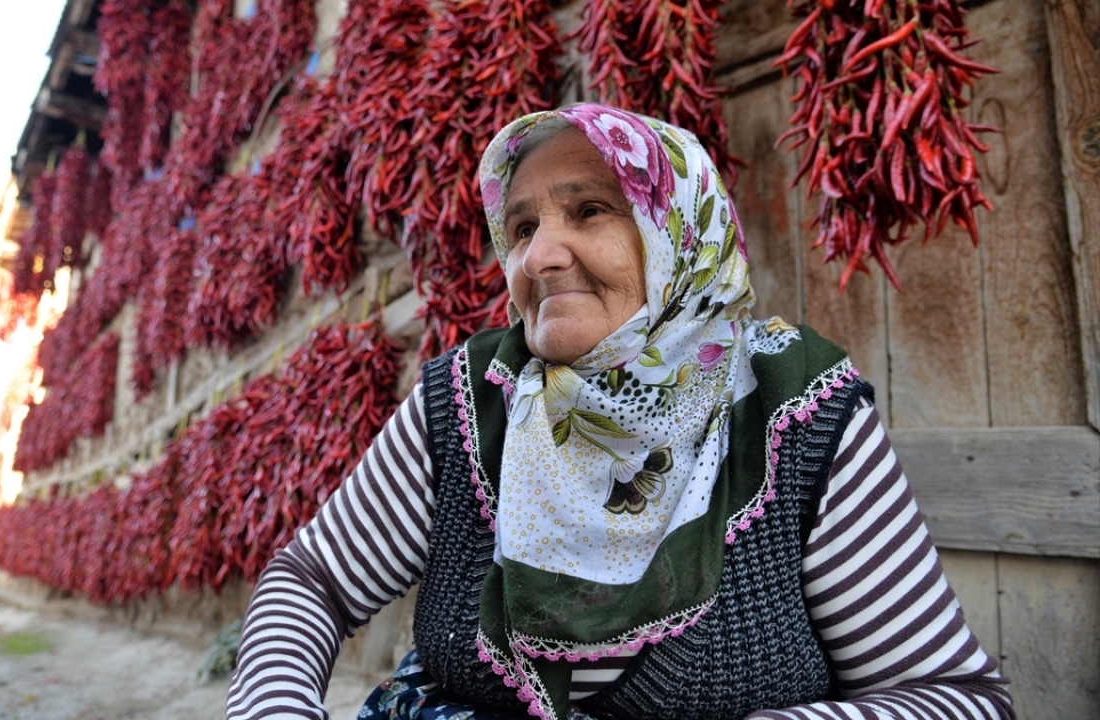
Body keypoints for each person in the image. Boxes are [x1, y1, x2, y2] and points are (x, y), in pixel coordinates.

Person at [226, 104, 1014, 720]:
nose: (538, 256)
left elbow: (955, 695)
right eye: (524, 225)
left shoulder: (794, 413)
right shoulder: (472, 399)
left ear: (679, 235)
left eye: (591, 210)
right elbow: (310, 581)